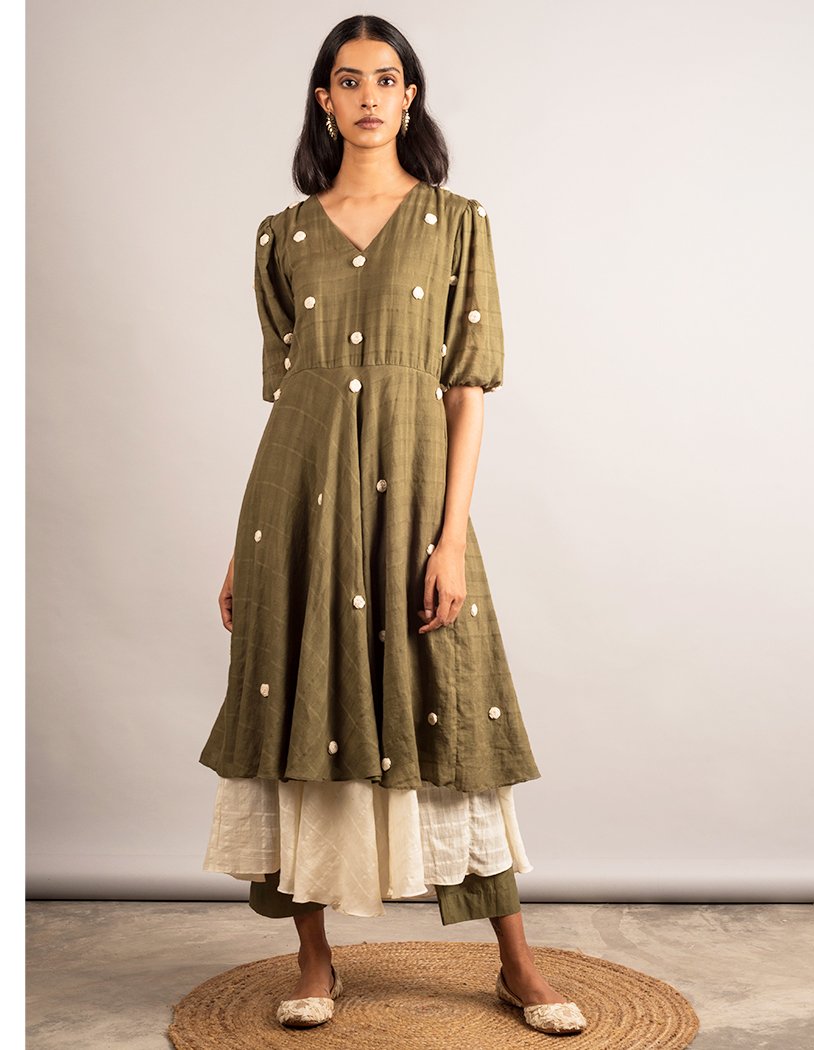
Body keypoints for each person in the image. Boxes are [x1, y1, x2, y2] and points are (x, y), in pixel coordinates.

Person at [197, 14, 586, 1036]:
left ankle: (518, 967)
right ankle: (315, 960)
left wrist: (449, 539)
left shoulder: (458, 223)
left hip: (414, 501)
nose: (367, 96)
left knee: (454, 709)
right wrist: (243, 548)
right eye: (347, 80)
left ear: (410, 97)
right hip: (297, 507)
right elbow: (292, 401)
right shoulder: (282, 236)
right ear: (323, 100)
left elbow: (466, 391)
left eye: (385, 78)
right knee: (298, 702)